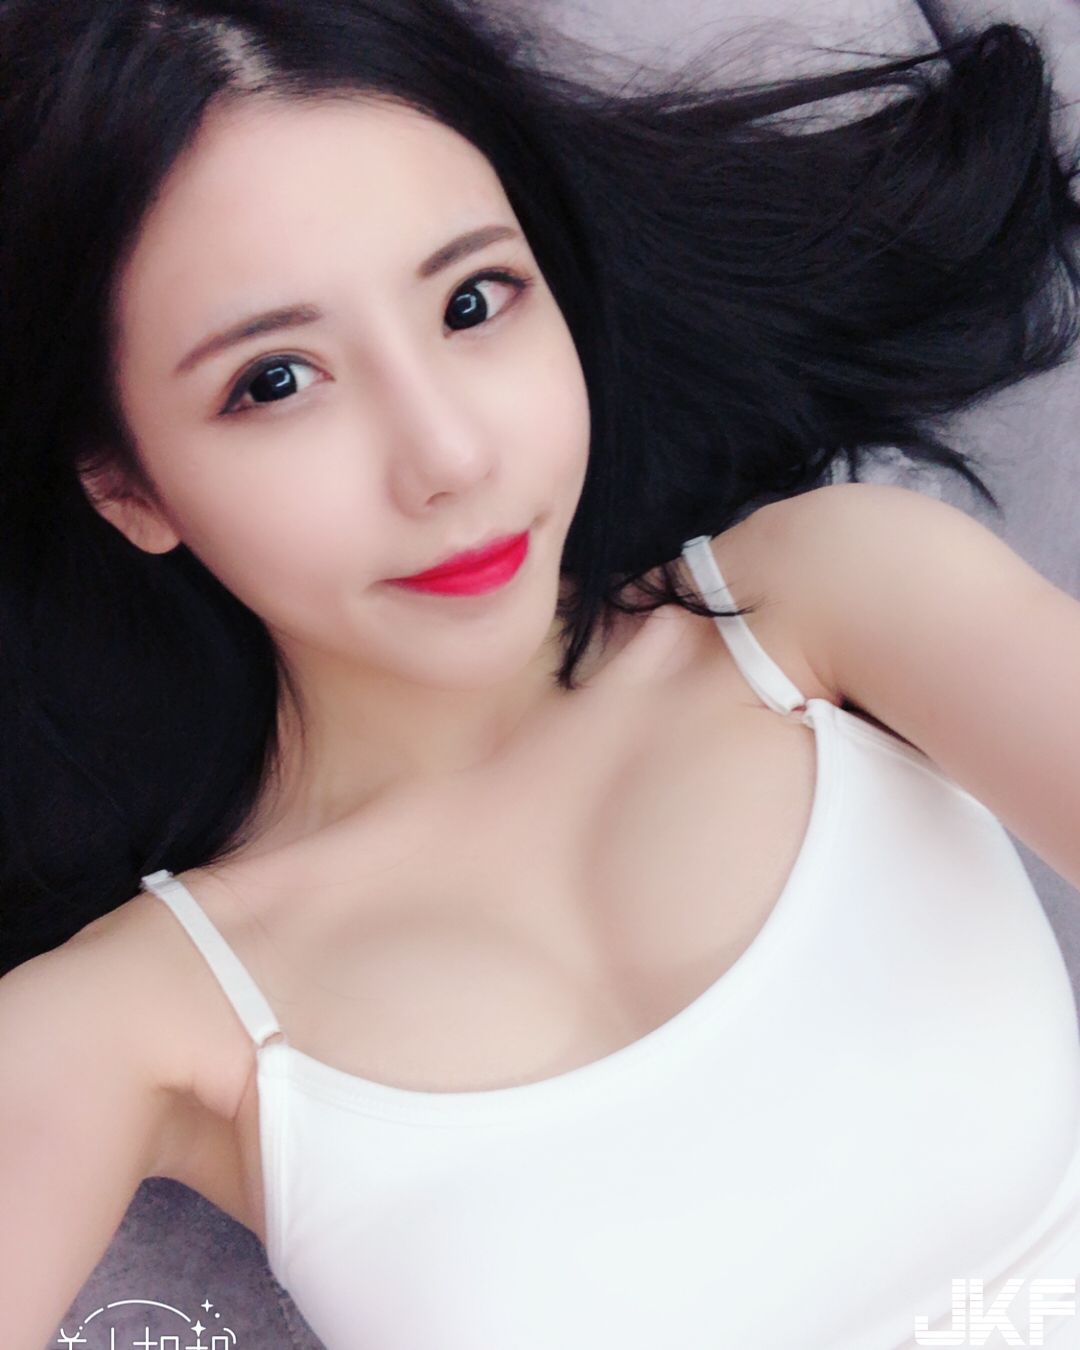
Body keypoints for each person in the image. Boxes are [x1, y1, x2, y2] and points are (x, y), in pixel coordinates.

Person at [2, 0, 1080, 1346]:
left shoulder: (833, 605)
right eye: (276, 380)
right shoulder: (127, 1023)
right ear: (127, 485)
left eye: (471, 302)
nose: (448, 456)